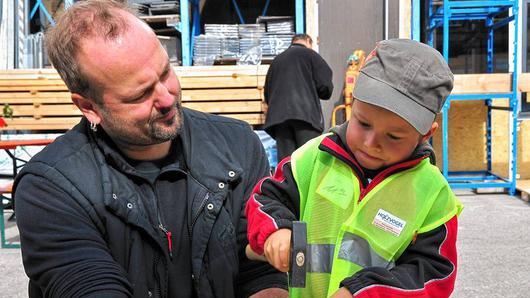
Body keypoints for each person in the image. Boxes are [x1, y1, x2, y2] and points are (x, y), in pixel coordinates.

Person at [13, 1, 288, 297]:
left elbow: (259, 270)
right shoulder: (50, 188)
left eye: (165, 72)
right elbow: (92, 287)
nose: (167, 98)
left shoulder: (237, 145)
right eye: (140, 94)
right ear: (88, 107)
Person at [245, 39, 464, 297]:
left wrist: (364, 291)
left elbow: (434, 274)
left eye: (393, 137)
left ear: (426, 134)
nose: (371, 144)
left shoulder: (433, 196)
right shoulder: (312, 157)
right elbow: (267, 197)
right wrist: (276, 229)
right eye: (363, 123)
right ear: (352, 106)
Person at [263, 33, 333, 162]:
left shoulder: (277, 60)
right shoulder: (311, 55)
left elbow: (267, 93)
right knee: (308, 159)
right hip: (305, 116)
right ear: (308, 41)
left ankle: (286, 182)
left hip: (279, 119)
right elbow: (325, 86)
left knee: (286, 163)